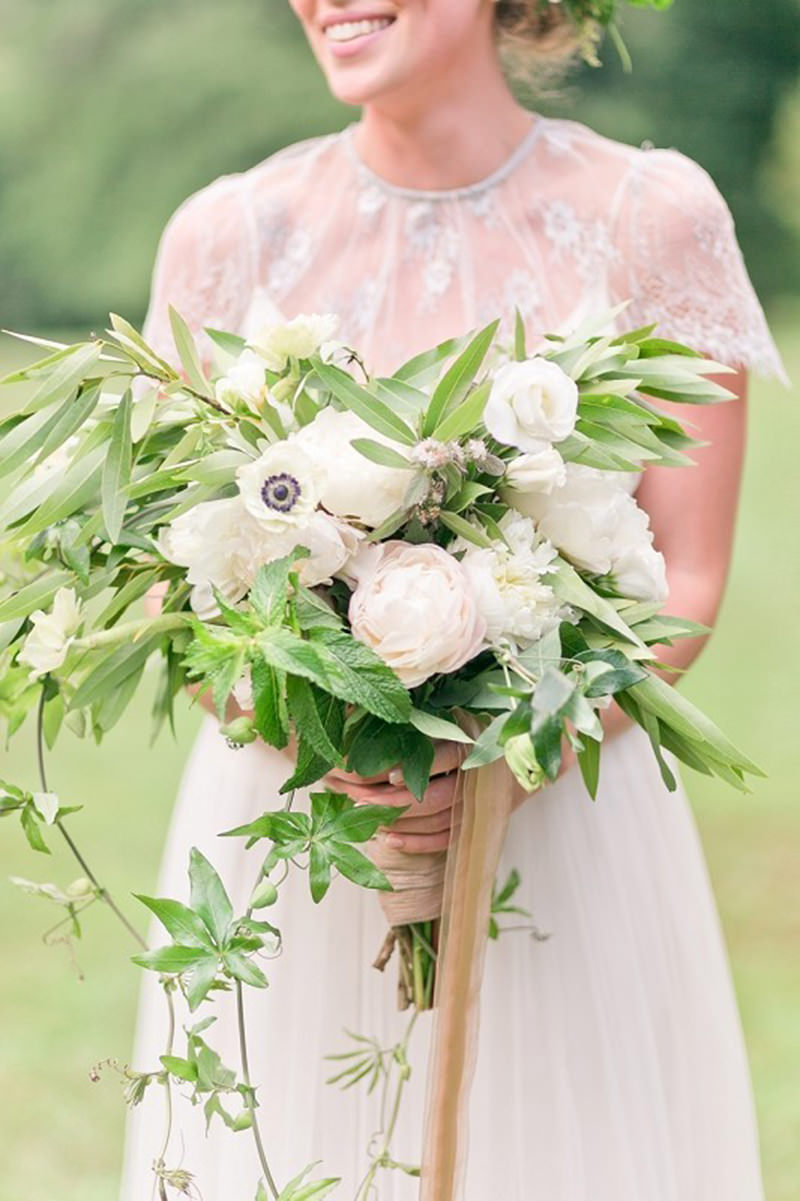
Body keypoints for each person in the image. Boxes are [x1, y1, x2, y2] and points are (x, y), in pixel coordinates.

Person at [119, 3, 787, 1198]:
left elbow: (683, 578)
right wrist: (322, 743)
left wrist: (502, 757)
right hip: (303, 830)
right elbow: (186, 577)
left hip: (562, 818)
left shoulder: (650, 218)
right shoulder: (227, 235)